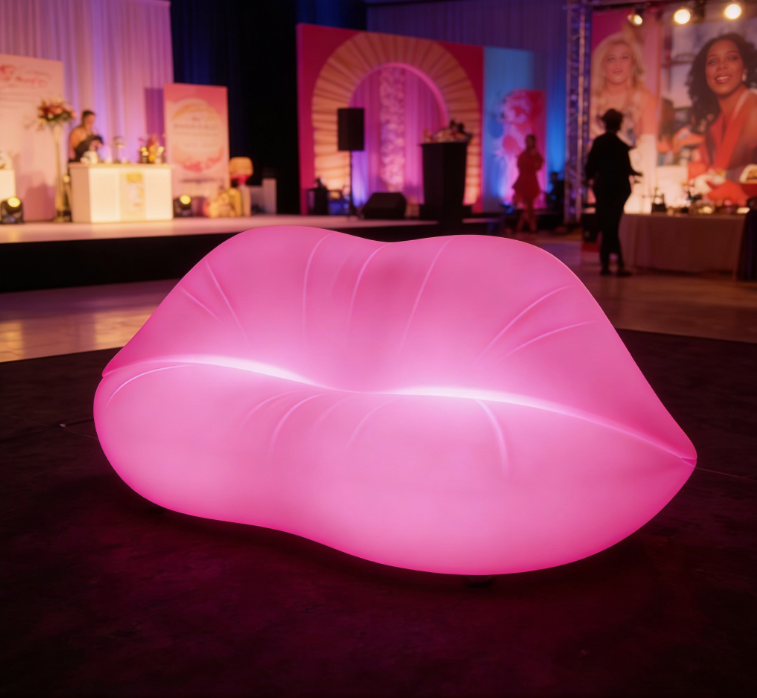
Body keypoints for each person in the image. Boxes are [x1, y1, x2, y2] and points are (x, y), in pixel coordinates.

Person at [686, 33, 757, 205]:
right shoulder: (715, 124)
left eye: (731, 58)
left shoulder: (753, 110)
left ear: (745, 67)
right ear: (705, 74)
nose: (721, 66)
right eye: (712, 62)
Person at [589, 29, 657, 209]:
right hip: (602, 184)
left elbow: (647, 147)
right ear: (602, 64)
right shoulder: (591, 101)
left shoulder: (643, 98)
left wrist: (643, 183)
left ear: (633, 63)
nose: (618, 65)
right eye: (611, 59)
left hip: (623, 185)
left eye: (624, 58)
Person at [585, 109, 641, 277]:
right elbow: (627, 168)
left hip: (604, 190)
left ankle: (607, 263)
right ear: (619, 125)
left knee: (606, 226)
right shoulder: (620, 145)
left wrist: (590, 179)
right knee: (612, 226)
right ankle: (617, 263)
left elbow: (590, 167)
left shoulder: (600, 143)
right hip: (618, 191)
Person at [512, 134, 544, 234]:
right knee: (526, 205)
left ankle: (526, 226)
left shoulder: (535, 155)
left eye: (529, 141)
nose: (528, 143)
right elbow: (519, 165)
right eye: (527, 141)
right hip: (523, 181)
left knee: (529, 204)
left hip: (531, 181)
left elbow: (538, 166)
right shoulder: (523, 155)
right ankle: (528, 226)